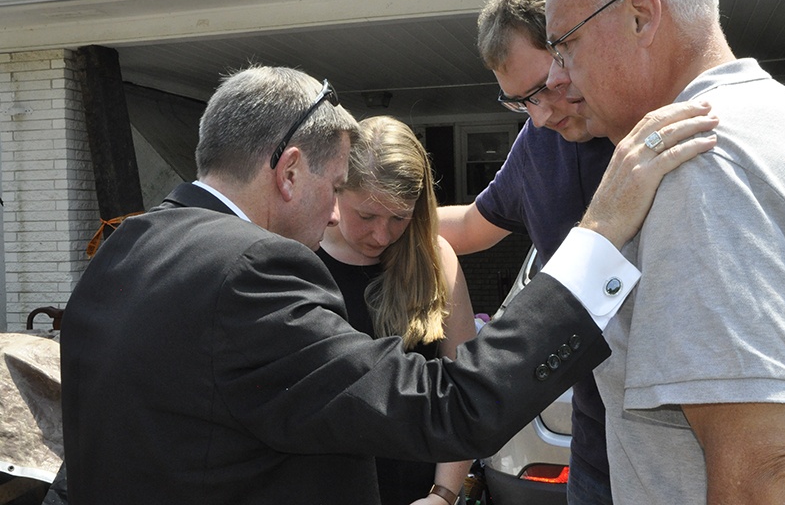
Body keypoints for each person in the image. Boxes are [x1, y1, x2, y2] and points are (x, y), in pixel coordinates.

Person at [58, 64, 717, 504]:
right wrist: (598, 236)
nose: (336, 211)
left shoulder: (125, 249)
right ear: (290, 171)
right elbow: (450, 408)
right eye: (337, 183)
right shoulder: (252, 271)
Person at [438, 0, 785, 505]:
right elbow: (470, 228)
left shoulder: (698, 141)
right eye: (520, 102)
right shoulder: (540, 143)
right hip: (602, 453)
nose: (543, 114)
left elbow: (780, 463)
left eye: (552, 81)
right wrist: (358, 214)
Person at [316, 115, 476, 505]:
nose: (382, 235)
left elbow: (466, 389)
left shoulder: (437, 259)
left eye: (399, 217)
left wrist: (444, 494)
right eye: (366, 216)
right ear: (336, 191)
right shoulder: (299, 256)